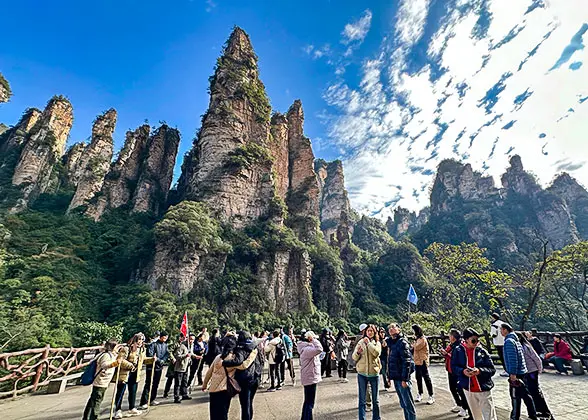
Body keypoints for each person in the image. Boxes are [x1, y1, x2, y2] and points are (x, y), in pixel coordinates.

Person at [451, 328, 497, 420]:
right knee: (476, 416)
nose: (476, 343)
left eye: (477, 340)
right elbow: (453, 366)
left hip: (483, 388)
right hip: (468, 388)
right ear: (466, 340)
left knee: (489, 416)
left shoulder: (482, 352)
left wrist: (479, 371)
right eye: (473, 340)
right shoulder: (458, 350)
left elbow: (492, 369)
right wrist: (462, 371)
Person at [113, 333, 155, 419]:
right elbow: (120, 360)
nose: (141, 342)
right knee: (120, 392)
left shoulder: (142, 349)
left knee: (133, 392)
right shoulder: (126, 349)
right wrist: (130, 365)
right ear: (135, 340)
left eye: (142, 340)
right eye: (139, 340)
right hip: (124, 374)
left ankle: (132, 408)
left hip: (135, 374)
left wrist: (151, 360)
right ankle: (118, 410)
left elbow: (143, 360)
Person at [501, 323, 537, 420]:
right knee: (525, 395)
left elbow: (513, 359)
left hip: (516, 374)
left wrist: (513, 374)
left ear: (505, 330)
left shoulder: (509, 341)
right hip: (522, 371)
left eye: (501, 330)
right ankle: (533, 415)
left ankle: (514, 417)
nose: (500, 332)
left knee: (515, 396)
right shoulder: (516, 340)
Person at [82, 339, 124, 420]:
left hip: (104, 382)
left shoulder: (111, 354)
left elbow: (116, 357)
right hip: (100, 382)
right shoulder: (106, 355)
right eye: (116, 346)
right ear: (112, 347)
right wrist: (115, 363)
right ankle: (94, 417)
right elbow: (104, 365)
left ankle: (87, 417)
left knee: (93, 401)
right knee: (96, 401)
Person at [223, 330, 260, 420]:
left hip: (245, 379)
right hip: (255, 377)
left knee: (244, 404)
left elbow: (238, 361)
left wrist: (224, 362)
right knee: (249, 402)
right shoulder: (254, 347)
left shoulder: (241, 348)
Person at [202, 334, 240, 420]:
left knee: (214, 413)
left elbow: (209, 372)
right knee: (223, 413)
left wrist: (204, 385)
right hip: (225, 389)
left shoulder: (218, 357)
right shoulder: (234, 359)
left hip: (213, 388)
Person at [518, 332, 553, 420]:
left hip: (532, 371)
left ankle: (544, 412)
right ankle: (538, 410)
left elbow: (537, 359)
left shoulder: (527, 347)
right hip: (527, 372)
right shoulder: (520, 347)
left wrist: (539, 369)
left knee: (535, 390)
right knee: (531, 390)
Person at [387, 323, 416, 420]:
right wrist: (389, 377)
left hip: (402, 378)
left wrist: (405, 379)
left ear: (399, 329)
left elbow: (407, 362)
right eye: (389, 328)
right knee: (403, 404)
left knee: (408, 404)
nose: (391, 329)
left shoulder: (402, 342)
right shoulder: (392, 343)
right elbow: (390, 361)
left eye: (393, 327)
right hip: (396, 377)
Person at [353, 324, 382, 420]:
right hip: (362, 373)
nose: (369, 332)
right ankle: (362, 418)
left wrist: (368, 343)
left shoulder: (377, 342)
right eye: (368, 331)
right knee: (362, 400)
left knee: (375, 400)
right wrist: (358, 352)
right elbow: (354, 357)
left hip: (374, 373)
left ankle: (376, 418)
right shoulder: (360, 342)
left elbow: (376, 353)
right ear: (365, 332)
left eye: (371, 331)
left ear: (374, 333)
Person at [439, 329, 470, 418]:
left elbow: (457, 358)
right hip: (450, 369)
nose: (449, 337)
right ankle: (459, 404)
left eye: (450, 335)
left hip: (457, 370)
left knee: (461, 390)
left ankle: (465, 408)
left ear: (453, 337)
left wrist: (447, 354)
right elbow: (448, 353)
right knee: (452, 388)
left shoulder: (460, 347)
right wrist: (444, 353)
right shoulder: (451, 345)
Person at [297, 330, 323, 420]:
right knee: (310, 402)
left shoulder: (304, 348)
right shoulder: (307, 349)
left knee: (308, 401)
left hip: (309, 376)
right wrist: (314, 340)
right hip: (310, 377)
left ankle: (306, 418)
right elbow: (320, 349)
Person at [139, 331, 169, 409]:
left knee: (156, 384)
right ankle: (144, 402)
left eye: (166, 337)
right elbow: (150, 354)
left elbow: (166, 354)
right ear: (160, 337)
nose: (165, 338)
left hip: (159, 367)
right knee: (148, 384)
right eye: (164, 337)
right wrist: (158, 360)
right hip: (151, 367)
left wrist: (163, 360)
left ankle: (152, 399)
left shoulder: (165, 345)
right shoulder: (153, 344)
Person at [412, 324, 434, 404]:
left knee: (426, 378)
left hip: (423, 361)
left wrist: (413, 344)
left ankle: (431, 395)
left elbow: (416, 347)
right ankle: (420, 393)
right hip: (417, 361)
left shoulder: (422, 339)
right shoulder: (418, 339)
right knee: (418, 378)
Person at [171, 334, 192, 403]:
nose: (191, 341)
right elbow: (178, 356)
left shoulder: (188, 347)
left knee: (184, 382)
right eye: (190, 339)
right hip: (179, 367)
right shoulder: (181, 346)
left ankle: (184, 394)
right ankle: (176, 397)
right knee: (178, 383)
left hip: (185, 367)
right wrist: (185, 356)